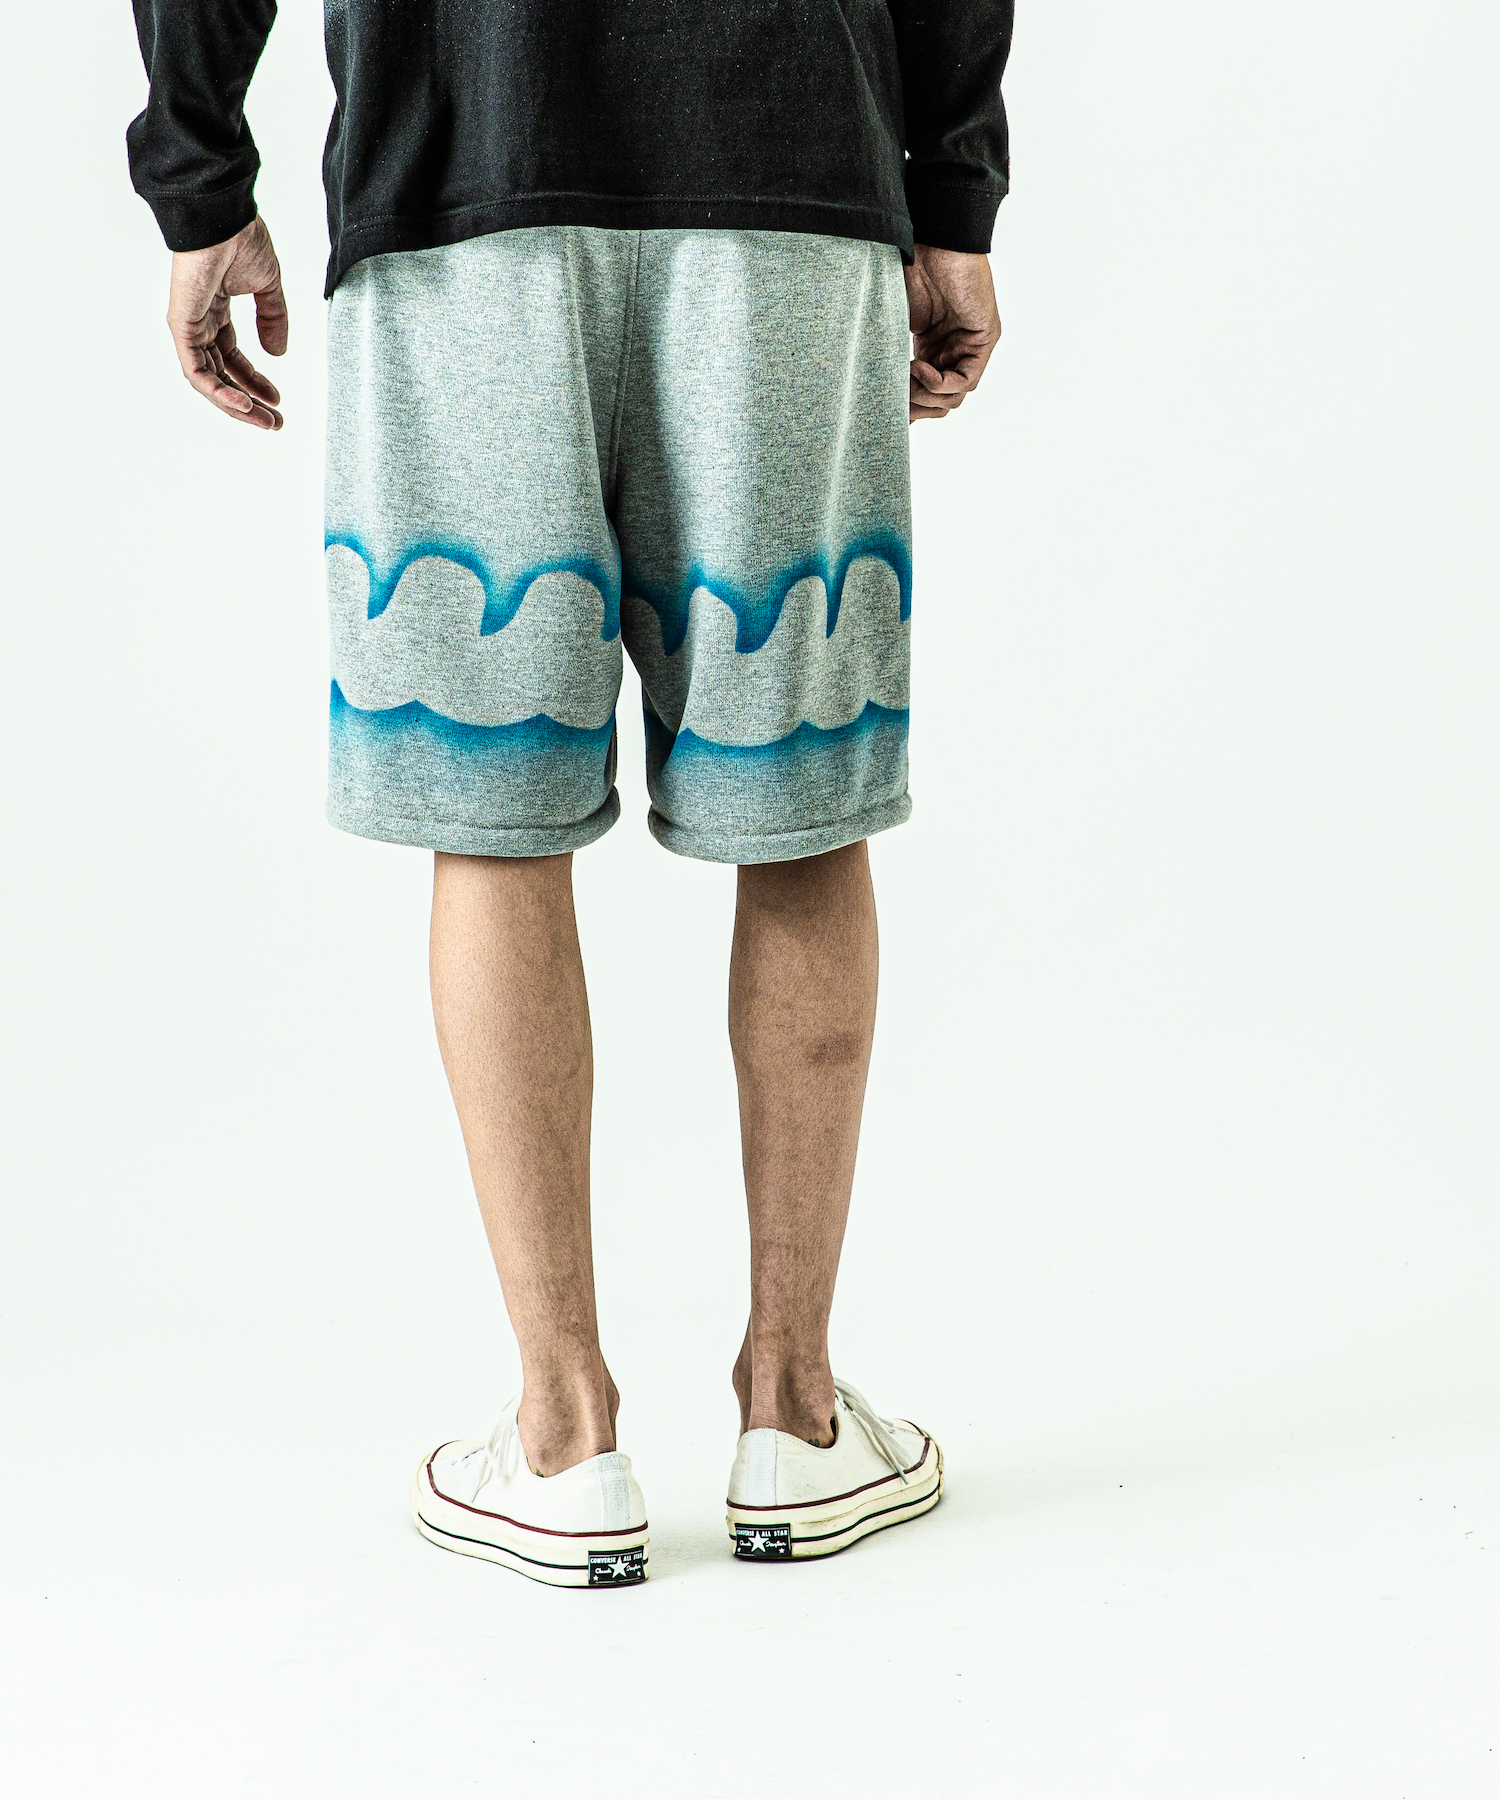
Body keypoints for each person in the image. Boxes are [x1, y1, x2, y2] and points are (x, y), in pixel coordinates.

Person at [128, 0, 1012, 1586]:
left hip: (456, 165)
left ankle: (561, 1436)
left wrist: (201, 180)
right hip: (787, 157)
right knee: (798, 804)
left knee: (495, 814)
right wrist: (951, 194)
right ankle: (798, 1416)